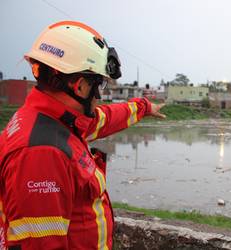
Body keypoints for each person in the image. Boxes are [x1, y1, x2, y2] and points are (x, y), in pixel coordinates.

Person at [0, 21, 165, 249]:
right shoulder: (42, 152)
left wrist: (144, 107)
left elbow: (106, 118)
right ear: (80, 87)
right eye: (100, 85)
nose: (100, 96)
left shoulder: (57, 120)